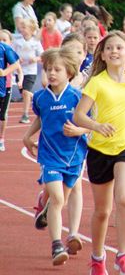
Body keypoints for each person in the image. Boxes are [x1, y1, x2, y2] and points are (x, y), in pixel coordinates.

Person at [73, 30, 125, 275]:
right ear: (103, 55)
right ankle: (97, 258)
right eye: (110, 48)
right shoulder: (97, 82)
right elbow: (79, 115)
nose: (114, 51)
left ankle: (123, 256)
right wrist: (96, 126)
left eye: (119, 48)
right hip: (99, 149)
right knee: (103, 211)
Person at [22, 47, 88, 266]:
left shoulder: (78, 97)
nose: (51, 73)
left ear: (69, 72)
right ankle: (57, 244)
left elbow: (90, 125)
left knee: (62, 200)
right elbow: (41, 119)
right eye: (48, 69)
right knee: (58, 199)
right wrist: (28, 136)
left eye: (57, 69)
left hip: (74, 157)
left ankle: (49, 211)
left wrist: (80, 131)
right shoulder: (40, 98)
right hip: (49, 156)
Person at [12, 18, 43, 124]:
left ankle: (25, 114)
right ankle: (36, 97)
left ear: (31, 29)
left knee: (25, 92)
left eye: (25, 27)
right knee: (23, 93)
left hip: (31, 71)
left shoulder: (35, 42)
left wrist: (35, 59)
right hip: (19, 71)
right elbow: (12, 53)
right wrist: (16, 58)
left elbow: (42, 55)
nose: (22, 29)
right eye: (21, 27)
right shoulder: (17, 41)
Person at [0, 30, 22, 151]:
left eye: (4, 40)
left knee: (2, 114)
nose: (2, 42)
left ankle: (1, 139)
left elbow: (17, 67)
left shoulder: (7, 51)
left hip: (6, 86)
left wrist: (19, 80)